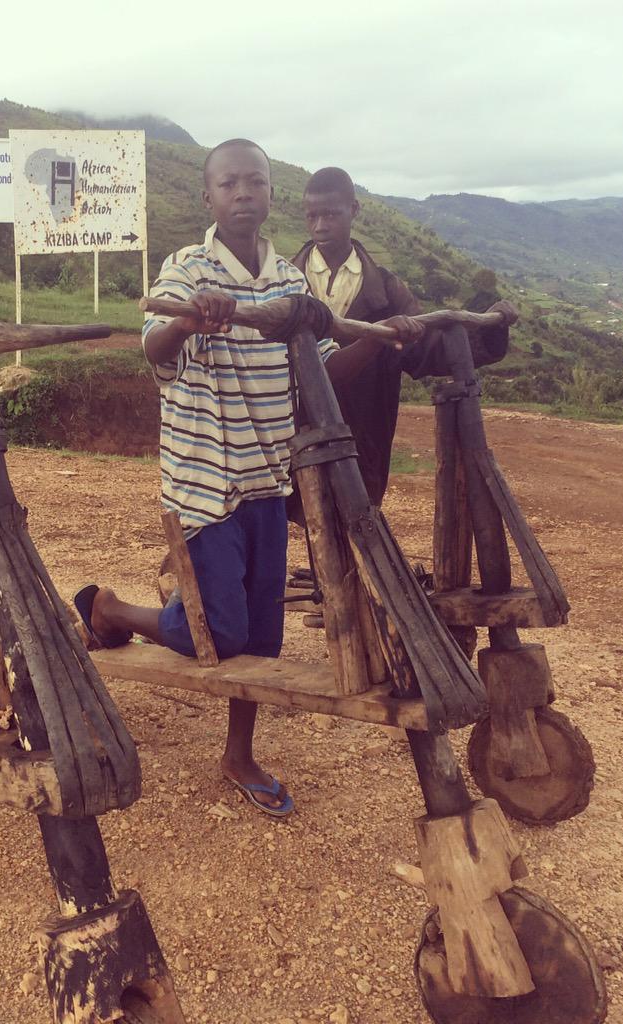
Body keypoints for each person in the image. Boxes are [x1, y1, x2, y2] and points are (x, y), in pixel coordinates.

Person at [74, 140, 419, 816]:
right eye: (228, 183)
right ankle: (107, 610)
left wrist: (377, 338)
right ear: (208, 196)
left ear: (269, 195)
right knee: (222, 633)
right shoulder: (187, 267)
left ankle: (238, 753)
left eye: (254, 183)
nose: (242, 194)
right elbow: (152, 345)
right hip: (204, 483)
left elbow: (316, 365)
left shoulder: (290, 282)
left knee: (263, 637)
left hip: (267, 480)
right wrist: (188, 320)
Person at [294, 166, 517, 506]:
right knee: (291, 512)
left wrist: (490, 329)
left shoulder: (386, 288)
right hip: (292, 428)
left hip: (363, 428)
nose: (320, 226)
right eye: (312, 216)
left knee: (358, 524)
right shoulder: (282, 282)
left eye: (330, 214)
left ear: (354, 210)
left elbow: (428, 347)